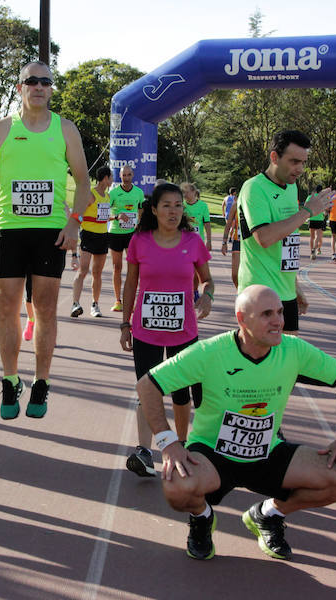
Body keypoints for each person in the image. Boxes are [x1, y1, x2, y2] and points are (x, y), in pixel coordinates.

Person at [137, 284, 336, 561]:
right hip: (213, 454)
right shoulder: (209, 352)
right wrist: (168, 443)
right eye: (267, 314)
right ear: (242, 319)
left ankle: (268, 515)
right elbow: (148, 385)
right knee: (176, 487)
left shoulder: (294, 350)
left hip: (267, 452)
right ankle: (202, 518)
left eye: (279, 312)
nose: (278, 320)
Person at [0, 61, 92, 420]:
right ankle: (9, 379)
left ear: (51, 89)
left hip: (50, 231)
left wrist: (74, 221)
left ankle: (42, 382)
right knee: (6, 307)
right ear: (19, 88)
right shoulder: (2, 129)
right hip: (10, 230)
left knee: (46, 308)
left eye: (45, 82)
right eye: (31, 81)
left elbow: (83, 182)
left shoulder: (66, 129)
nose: (38, 86)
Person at [120, 183, 213, 477]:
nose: (174, 211)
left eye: (178, 205)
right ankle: (146, 451)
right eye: (167, 206)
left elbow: (207, 279)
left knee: (181, 391)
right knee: (147, 390)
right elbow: (131, 283)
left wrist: (207, 295)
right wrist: (125, 324)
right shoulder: (140, 240)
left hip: (183, 331)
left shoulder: (193, 240)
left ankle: (181, 444)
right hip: (146, 330)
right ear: (154, 210)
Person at [237, 129, 332, 335]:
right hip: (259, 292)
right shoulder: (254, 188)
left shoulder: (291, 187)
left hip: (285, 291)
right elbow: (264, 237)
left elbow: (287, 241)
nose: (299, 169)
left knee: (286, 362)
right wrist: (307, 211)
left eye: (303, 163)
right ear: (274, 157)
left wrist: (295, 286)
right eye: (294, 161)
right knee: (260, 362)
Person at [71, 166, 112, 318]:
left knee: (97, 273)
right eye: (111, 177)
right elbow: (78, 213)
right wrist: (78, 222)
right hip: (88, 235)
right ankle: (75, 303)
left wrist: (116, 217)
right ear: (105, 178)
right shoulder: (91, 195)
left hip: (102, 236)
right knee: (83, 270)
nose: (112, 180)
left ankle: (95, 304)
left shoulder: (107, 196)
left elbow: (103, 217)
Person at [108, 164, 143, 311]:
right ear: (120, 176)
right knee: (117, 267)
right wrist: (116, 217)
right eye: (124, 175)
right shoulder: (113, 193)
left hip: (131, 235)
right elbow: (104, 215)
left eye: (129, 175)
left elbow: (141, 210)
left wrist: (138, 225)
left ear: (133, 175)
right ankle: (118, 301)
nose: (126, 178)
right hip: (115, 233)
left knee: (133, 269)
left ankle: (133, 301)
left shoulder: (138, 192)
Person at [221, 198, 241, 288]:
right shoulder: (236, 205)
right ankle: (239, 292)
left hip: (253, 243)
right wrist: (224, 243)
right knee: (235, 275)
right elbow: (228, 224)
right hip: (238, 241)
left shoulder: (259, 204)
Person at [306, 185, 327, 260]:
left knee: (312, 236)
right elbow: (326, 207)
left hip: (312, 217)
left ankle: (312, 251)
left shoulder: (310, 197)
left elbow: (306, 205)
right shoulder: (322, 198)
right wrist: (324, 212)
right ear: (321, 191)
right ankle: (315, 249)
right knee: (318, 236)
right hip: (319, 218)